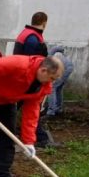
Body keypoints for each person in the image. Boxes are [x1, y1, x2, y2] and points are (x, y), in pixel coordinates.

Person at [13, 11, 53, 148]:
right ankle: (39, 137)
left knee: (15, 105)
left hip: (22, 76)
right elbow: (33, 60)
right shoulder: (33, 38)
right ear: (44, 23)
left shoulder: (26, 34)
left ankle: (10, 129)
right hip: (29, 78)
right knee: (33, 107)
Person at [46, 46, 74, 116]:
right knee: (58, 88)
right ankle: (58, 108)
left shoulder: (49, 57)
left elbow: (52, 72)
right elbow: (59, 48)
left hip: (65, 68)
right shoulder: (51, 53)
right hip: (69, 66)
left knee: (52, 88)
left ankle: (51, 111)